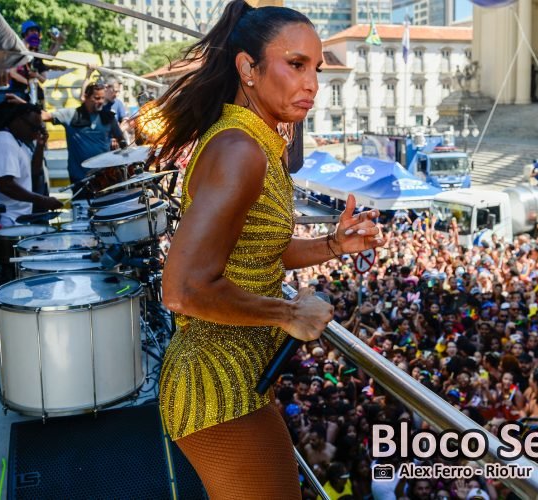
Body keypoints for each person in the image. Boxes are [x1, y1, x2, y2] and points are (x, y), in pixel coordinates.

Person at [155, 2, 385, 498]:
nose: (312, 84)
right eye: (296, 65)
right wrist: (287, 312)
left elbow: (257, 251)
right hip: (215, 385)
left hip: (238, 378)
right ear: (248, 69)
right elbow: (181, 288)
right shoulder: (240, 150)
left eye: (316, 69)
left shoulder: (257, 144)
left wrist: (331, 244)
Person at [0, 103, 63, 226]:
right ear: (18, 121)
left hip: (15, 217)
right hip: (3, 218)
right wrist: (43, 200)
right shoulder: (5, 142)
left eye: (40, 129)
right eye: (34, 128)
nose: (36, 133)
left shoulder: (19, 142)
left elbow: (33, 171)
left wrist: (40, 145)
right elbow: (6, 185)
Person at [42, 83, 125, 187]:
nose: (100, 102)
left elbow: (122, 140)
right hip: (80, 179)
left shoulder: (108, 117)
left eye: (102, 98)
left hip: (105, 177)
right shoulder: (70, 115)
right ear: (85, 97)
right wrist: (24, 106)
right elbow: (45, 116)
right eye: (96, 98)